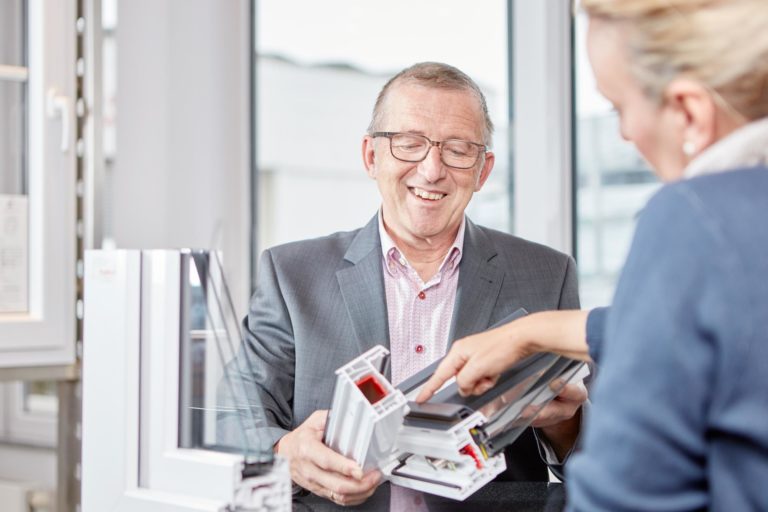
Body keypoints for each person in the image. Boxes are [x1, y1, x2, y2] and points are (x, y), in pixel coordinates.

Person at [417, 0, 768, 510]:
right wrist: (527, 332)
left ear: (690, 111)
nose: (625, 135)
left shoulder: (695, 216)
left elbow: (625, 496)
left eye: (621, 108)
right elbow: (710, 326)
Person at [225, 62, 588, 506]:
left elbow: (611, 451)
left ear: (483, 170)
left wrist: (563, 425)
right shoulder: (291, 273)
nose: (432, 169)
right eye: (409, 144)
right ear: (371, 156)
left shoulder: (549, 274)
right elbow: (236, 418)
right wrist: (286, 454)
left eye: (457, 149)